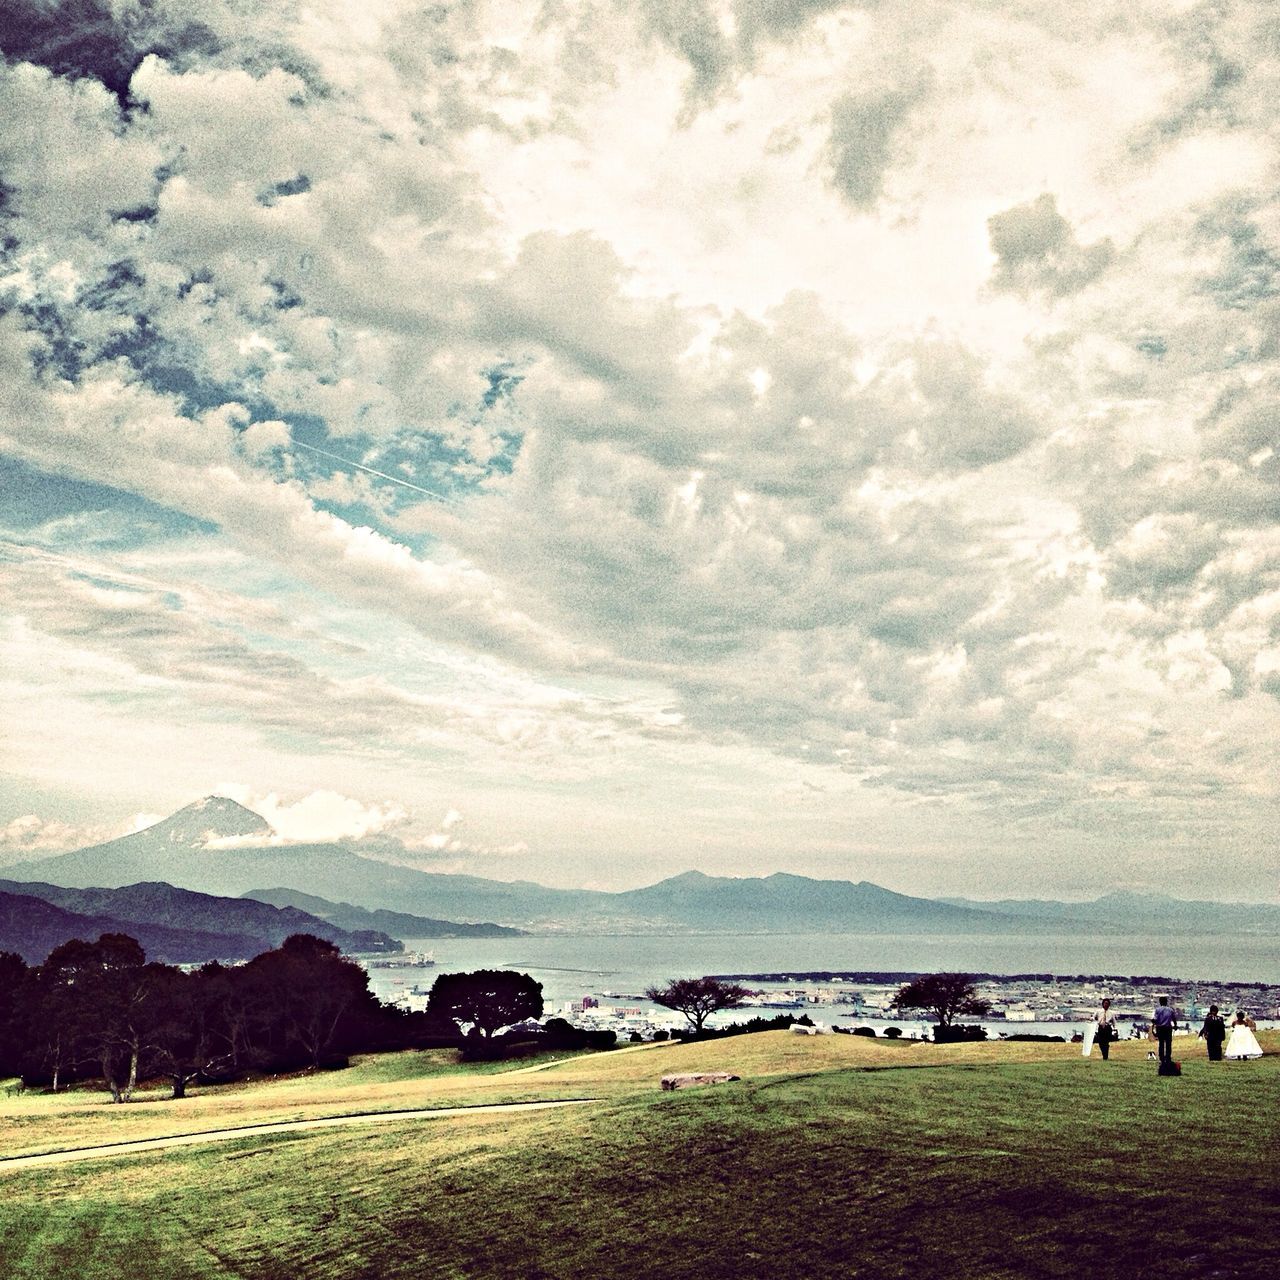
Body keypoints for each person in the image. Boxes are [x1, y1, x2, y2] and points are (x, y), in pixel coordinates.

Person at [1152, 996, 1176, 1065]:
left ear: (1160, 1002)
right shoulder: (1170, 1010)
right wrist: (1175, 1025)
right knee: (1168, 1044)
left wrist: (1153, 1022)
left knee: (1161, 1043)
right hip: (1168, 1028)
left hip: (1160, 1028)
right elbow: (1174, 1019)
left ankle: (1162, 1058)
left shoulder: (1157, 1010)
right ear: (1166, 1002)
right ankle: (1168, 1058)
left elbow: (1156, 1019)